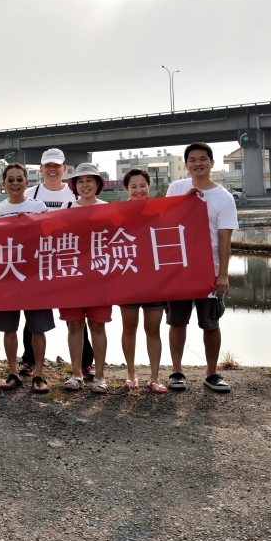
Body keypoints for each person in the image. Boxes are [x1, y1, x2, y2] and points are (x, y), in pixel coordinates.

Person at [165, 142, 238, 393]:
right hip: (179, 268)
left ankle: (212, 373)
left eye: (203, 159)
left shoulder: (224, 197)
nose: (198, 164)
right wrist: (184, 202)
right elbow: (165, 223)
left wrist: (223, 274)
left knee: (210, 323)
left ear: (212, 163)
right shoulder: (176, 188)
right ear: (186, 165)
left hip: (209, 270)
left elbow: (225, 240)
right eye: (193, 160)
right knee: (177, 321)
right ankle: (177, 371)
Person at [24, 148, 95, 381]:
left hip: (70, 259)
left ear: (65, 168)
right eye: (48, 166)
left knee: (77, 314)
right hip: (40, 261)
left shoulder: (75, 192)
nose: (52, 170)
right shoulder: (30, 193)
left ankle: (85, 363)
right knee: (33, 313)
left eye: (57, 165)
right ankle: (29, 360)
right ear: (41, 169)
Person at [0, 163, 53, 394]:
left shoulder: (38, 206)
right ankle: (13, 372)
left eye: (19, 179)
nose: (15, 183)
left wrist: (31, 223)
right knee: (9, 327)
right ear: (4, 183)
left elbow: (49, 235)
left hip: (34, 273)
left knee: (38, 327)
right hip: (8, 274)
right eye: (10, 179)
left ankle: (39, 374)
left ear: (27, 182)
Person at [59, 163, 112, 393]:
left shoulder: (108, 209)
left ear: (98, 184)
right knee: (74, 326)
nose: (85, 185)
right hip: (72, 276)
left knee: (98, 326)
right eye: (80, 181)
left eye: (90, 180)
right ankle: (76, 374)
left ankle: (100, 377)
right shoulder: (66, 207)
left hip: (99, 277)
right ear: (75, 186)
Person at [119, 169, 168, 394]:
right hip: (127, 278)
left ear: (149, 187)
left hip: (155, 280)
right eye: (133, 186)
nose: (138, 190)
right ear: (126, 189)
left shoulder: (160, 210)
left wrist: (191, 200)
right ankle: (131, 373)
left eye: (142, 186)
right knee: (129, 328)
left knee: (153, 330)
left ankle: (155, 377)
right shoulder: (118, 212)